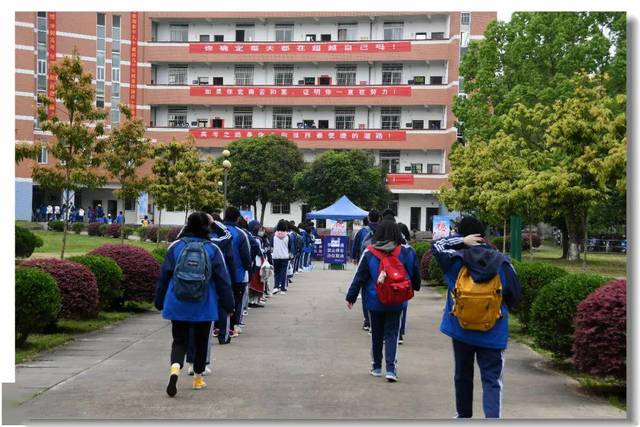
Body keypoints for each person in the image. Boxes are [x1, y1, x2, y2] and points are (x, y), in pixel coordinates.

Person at [431, 216, 522, 419]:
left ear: (462, 235)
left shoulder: (454, 261)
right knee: (492, 380)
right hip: (493, 332)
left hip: (461, 329)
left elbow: (436, 244)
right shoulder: (503, 263)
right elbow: (515, 296)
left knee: (462, 374)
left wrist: (461, 241)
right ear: (484, 235)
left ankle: (463, 417)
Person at [154, 212, 235, 397]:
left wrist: (159, 301)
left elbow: (164, 276)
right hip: (204, 304)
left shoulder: (176, 246)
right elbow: (223, 280)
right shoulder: (213, 249)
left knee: (179, 340)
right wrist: (229, 305)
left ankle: (175, 369)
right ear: (207, 226)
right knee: (200, 342)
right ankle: (198, 378)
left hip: (177, 302)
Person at [345, 219, 421, 382]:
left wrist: (351, 296)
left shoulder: (370, 252)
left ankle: (377, 366)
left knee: (376, 333)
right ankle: (391, 370)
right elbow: (415, 273)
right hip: (397, 299)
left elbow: (360, 276)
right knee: (392, 333)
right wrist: (415, 286)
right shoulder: (407, 251)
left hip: (374, 300)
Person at [223, 207, 252, 339]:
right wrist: (248, 270)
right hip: (237, 274)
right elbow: (246, 255)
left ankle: (218, 327)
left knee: (219, 300)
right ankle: (233, 327)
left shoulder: (216, 231)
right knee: (236, 301)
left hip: (219, 274)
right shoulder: (241, 234)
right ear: (237, 218)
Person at [350, 210, 381, 332]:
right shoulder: (383, 230)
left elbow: (356, 245)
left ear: (368, 219)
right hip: (381, 264)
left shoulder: (362, 232)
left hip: (365, 263)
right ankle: (377, 318)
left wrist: (353, 257)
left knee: (365, 291)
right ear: (379, 218)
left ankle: (367, 321)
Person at [396, 222, 415, 345]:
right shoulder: (409, 250)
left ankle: (390, 333)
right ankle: (400, 334)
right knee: (403, 308)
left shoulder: (389, 248)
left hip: (390, 283)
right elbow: (412, 269)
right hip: (405, 283)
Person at [271, 219, 291, 294]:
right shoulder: (287, 236)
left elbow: (271, 246)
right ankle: (282, 288)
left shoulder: (273, 236)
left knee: (276, 272)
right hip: (285, 257)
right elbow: (289, 247)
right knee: (283, 273)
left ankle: (276, 287)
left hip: (275, 256)